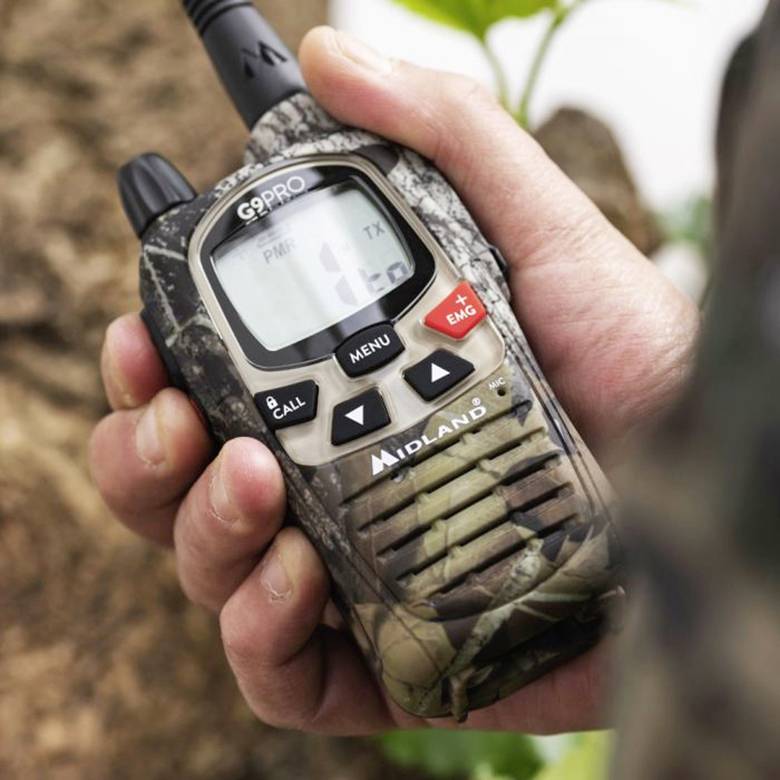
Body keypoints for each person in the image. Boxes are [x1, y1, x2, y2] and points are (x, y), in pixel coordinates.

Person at [89, 27, 699, 735]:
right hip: (603, 604)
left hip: (573, 590)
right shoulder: (189, 261)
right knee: (246, 493)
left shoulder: (363, 158)